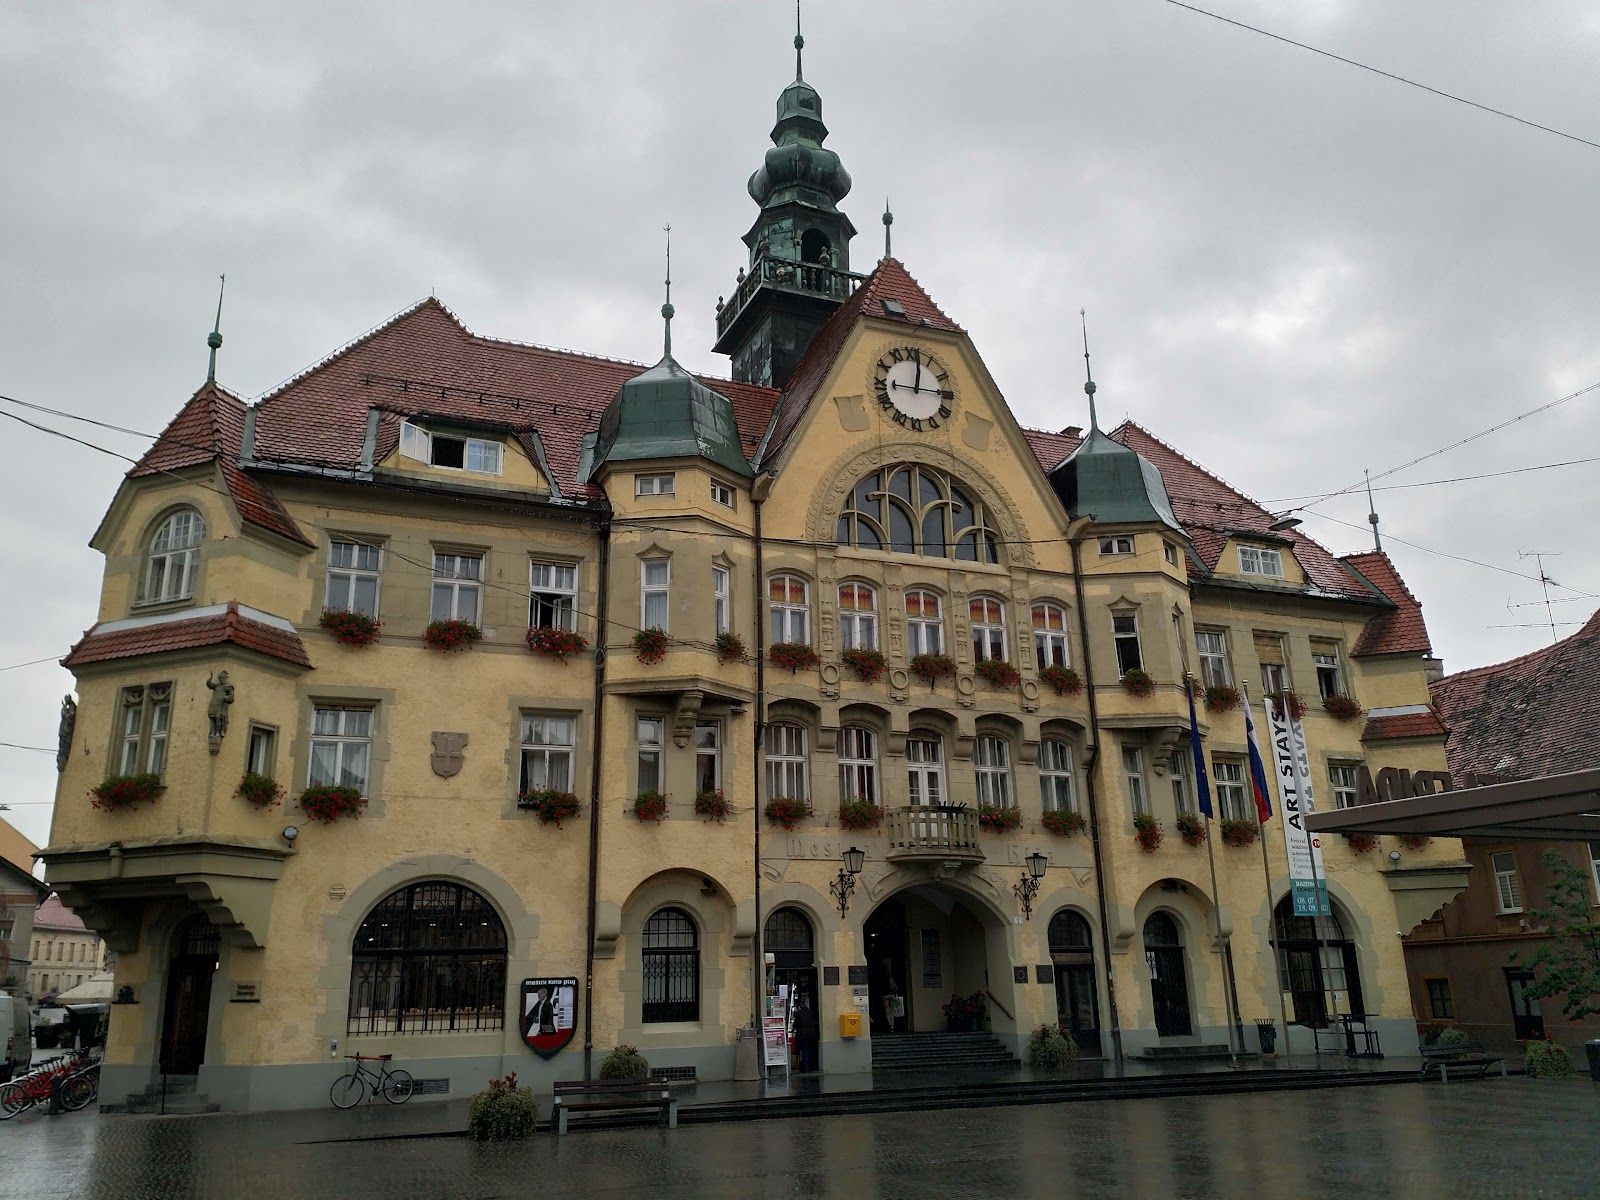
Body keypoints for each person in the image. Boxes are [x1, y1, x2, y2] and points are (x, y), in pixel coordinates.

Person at [794, 995, 819, 1072]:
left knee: (804, 1050)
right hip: (811, 1034)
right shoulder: (811, 1012)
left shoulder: (799, 1013)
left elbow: (796, 1025)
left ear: (800, 1006)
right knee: (810, 1049)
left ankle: (806, 1067)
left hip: (803, 1034)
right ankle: (811, 1066)